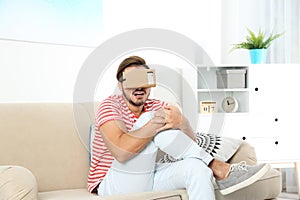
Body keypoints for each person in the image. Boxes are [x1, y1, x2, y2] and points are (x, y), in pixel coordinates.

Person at [88, 56, 270, 200]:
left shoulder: (158, 104)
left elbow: (190, 145)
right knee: (154, 117)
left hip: (150, 174)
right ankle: (218, 166)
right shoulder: (110, 106)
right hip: (112, 183)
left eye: (143, 80)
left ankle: (211, 166)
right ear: (120, 85)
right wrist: (154, 122)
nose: (139, 87)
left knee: (198, 168)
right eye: (131, 80)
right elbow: (120, 152)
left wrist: (183, 122)